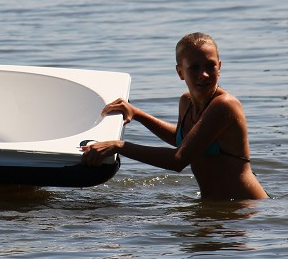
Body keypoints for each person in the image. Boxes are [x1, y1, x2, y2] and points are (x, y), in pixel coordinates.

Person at [82, 33, 268, 200]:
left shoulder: (224, 105)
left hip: (243, 208)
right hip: (214, 206)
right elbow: (183, 140)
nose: (203, 74)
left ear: (219, 67)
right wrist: (138, 114)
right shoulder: (186, 102)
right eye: (194, 68)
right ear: (180, 72)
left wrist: (119, 146)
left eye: (210, 66)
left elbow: (178, 160)